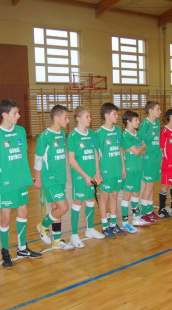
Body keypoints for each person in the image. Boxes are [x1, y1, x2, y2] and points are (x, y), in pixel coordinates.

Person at [0, 99, 41, 269]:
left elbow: (22, 155)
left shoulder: (21, 131)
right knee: (6, 218)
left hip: (21, 180)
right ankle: (5, 251)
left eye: (18, 112)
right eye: (14, 113)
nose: (18, 116)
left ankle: (22, 248)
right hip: (6, 184)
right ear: (4, 114)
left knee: (23, 212)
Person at [35, 104, 74, 250]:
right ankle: (42, 225)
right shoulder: (44, 136)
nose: (68, 120)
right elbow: (38, 158)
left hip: (61, 177)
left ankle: (56, 240)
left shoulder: (62, 134)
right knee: (64, 207)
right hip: (49, 178)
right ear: (56, 118)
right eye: (65, 117)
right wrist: (38, 178)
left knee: (56, 207)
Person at [67, 106, 106, 247]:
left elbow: (95, 153)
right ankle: (74, 235)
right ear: (78, 118)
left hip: (92, 173)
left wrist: (97, 172)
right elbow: (71, 160)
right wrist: (84, 175)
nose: (90, 119)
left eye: (90, 116)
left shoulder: (92, 134)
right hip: (80, 176)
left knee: (90, 199)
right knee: (78, 202)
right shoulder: (72, 136)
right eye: (86, 116)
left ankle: (89, 229)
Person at [96, 102, 126, 238]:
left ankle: (113, 224)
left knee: (114, 196)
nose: (117, 116)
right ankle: (104, 225)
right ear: (106, 115)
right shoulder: (99, 133)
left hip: (117, 169)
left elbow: (121, 149)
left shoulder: (118, 130)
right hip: (105, 171)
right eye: (114, 113)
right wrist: (98, 173)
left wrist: (123, 167)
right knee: (104, 197)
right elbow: (96, 154)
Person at [121, 110, 151, 228]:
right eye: (136, 120)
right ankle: (124, 222)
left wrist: (139, 149)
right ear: (128, 121)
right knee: (127, 194)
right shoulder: (125, 135)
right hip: (130, 169)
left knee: (136, 193)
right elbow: (139, 150)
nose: (138, 122)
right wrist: (141, 147)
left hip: (138, 168)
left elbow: (142, 151)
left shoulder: (137, 134)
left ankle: (136, 218)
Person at [138, 101, 163, 222]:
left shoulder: (157, 122)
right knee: (148, 185)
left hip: (156, 158)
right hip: (148, 159)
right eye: (158, 109)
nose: (160, 111)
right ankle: (143, 213)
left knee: (152, 185)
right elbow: (140, 141)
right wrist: (145, 153)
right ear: (150, 111)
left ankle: (149, 211)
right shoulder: (144, 125)